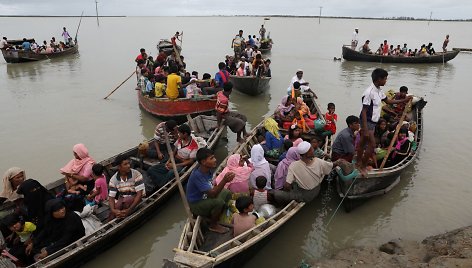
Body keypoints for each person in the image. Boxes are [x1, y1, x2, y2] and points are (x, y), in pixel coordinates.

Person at [357, 68, 412, 171]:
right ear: (378, 79)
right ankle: (362, 166)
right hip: (367, 122)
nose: (386, 81)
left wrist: (404, 100)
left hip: (373, 122)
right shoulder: (369, 92)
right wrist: (364, 128)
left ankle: (358, 162)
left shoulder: (379, 91)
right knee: (372, 145)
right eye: (385, 79)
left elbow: (388, 101)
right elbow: (364, 111)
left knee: (363, 143)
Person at [186, 148, 234, 234]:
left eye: (214, 157)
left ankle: (217, 214)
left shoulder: (208, 169)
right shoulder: (197, 175)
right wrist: (224, 180)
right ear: (203, 162)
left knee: (226, 192)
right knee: (219, 202)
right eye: (211, 158)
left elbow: (211, 187)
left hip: (206, 197)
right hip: (196, 204)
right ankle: (213, 225)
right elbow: (212, 194)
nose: (215, 160)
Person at [147, 124, 198, 189]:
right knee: (151, 169)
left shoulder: (194, 145)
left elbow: (190, 161)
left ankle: (161, 183)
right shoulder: (180, 140)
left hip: (182, 164)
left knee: (171, 173)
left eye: (179, 133)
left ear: (185, 134)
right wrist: (168, 161)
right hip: (174, 160)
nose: (178, 135)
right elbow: (173, 152)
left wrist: (175, 165)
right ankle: (161, 181)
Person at [108, 155, 145, 219]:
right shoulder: (113, 180)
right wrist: (113, 210)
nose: (128, 166)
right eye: (125, 164)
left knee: (127, 201)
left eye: (128, 163)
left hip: (136, 197)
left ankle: (123, 215)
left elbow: (139, 194)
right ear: (119, 167)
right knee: (114, 211)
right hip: (122, 197)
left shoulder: (136, 174)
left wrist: (129, 210)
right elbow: (111, 198)